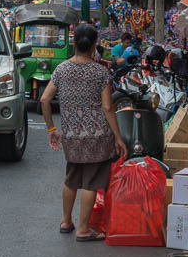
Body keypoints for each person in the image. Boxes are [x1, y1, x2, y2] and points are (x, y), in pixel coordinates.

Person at [41, 23, 128, 242]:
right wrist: (118, 137)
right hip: (97, 136)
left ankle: (66, 221)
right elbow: (108, 108)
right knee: (91, 182)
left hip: (71, 134)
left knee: (71, 179)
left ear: (74, 42)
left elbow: (44, 99)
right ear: (95, 43)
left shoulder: (62, 69)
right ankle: (83, 229)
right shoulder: (100, 72)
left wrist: (52, 128)